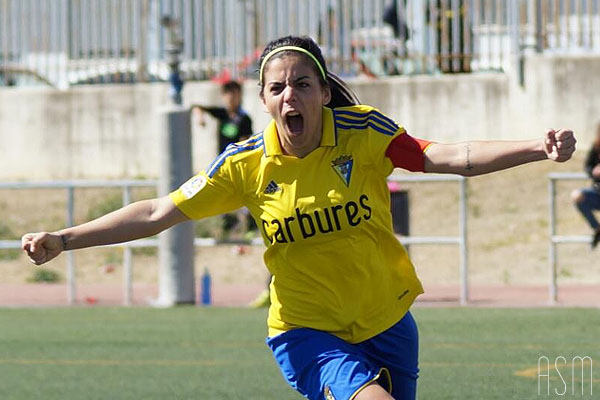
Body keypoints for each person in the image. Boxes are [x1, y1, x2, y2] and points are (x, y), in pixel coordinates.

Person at [22, 36, 576, 400]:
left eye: (303, 83)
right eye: (278, 86)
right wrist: (65, 239)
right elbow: (157, 211)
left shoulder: (362, 133)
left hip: (388, 322)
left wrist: (536, 146)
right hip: (309, 332)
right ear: (264, 100)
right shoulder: (245, 165)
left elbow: (445, 156)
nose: (291, 94)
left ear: (323, 93)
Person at [191, 80, 257, 236]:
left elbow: (246, 140)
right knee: (222, 191)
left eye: (235, 94)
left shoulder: (244, 118)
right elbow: (197, 107)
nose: (231, 98)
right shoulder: (222, 114)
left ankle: (250, 223)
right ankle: (228, 222)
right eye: (228, 94)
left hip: (239, 163)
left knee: (243, 192)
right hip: (222, 162)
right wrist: (200, 118)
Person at [572, 122, 600, 249]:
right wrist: (594, 172)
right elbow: (588, 167)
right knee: (577, 196)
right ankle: (597, 229)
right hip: (597, 192)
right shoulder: (596, 147)